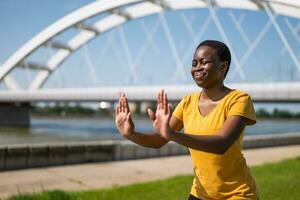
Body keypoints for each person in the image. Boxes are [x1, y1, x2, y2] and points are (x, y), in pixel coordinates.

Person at [115, 40, 258, 200]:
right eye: (194, 63)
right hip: (200, 193)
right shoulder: (187, 102)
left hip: (237, 194)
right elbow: (158, 140)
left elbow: (221, 144)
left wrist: (172, 134)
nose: (197, 68)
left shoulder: (239, 99)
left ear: (222, 67)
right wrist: (130, 134)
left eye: (204, 62)